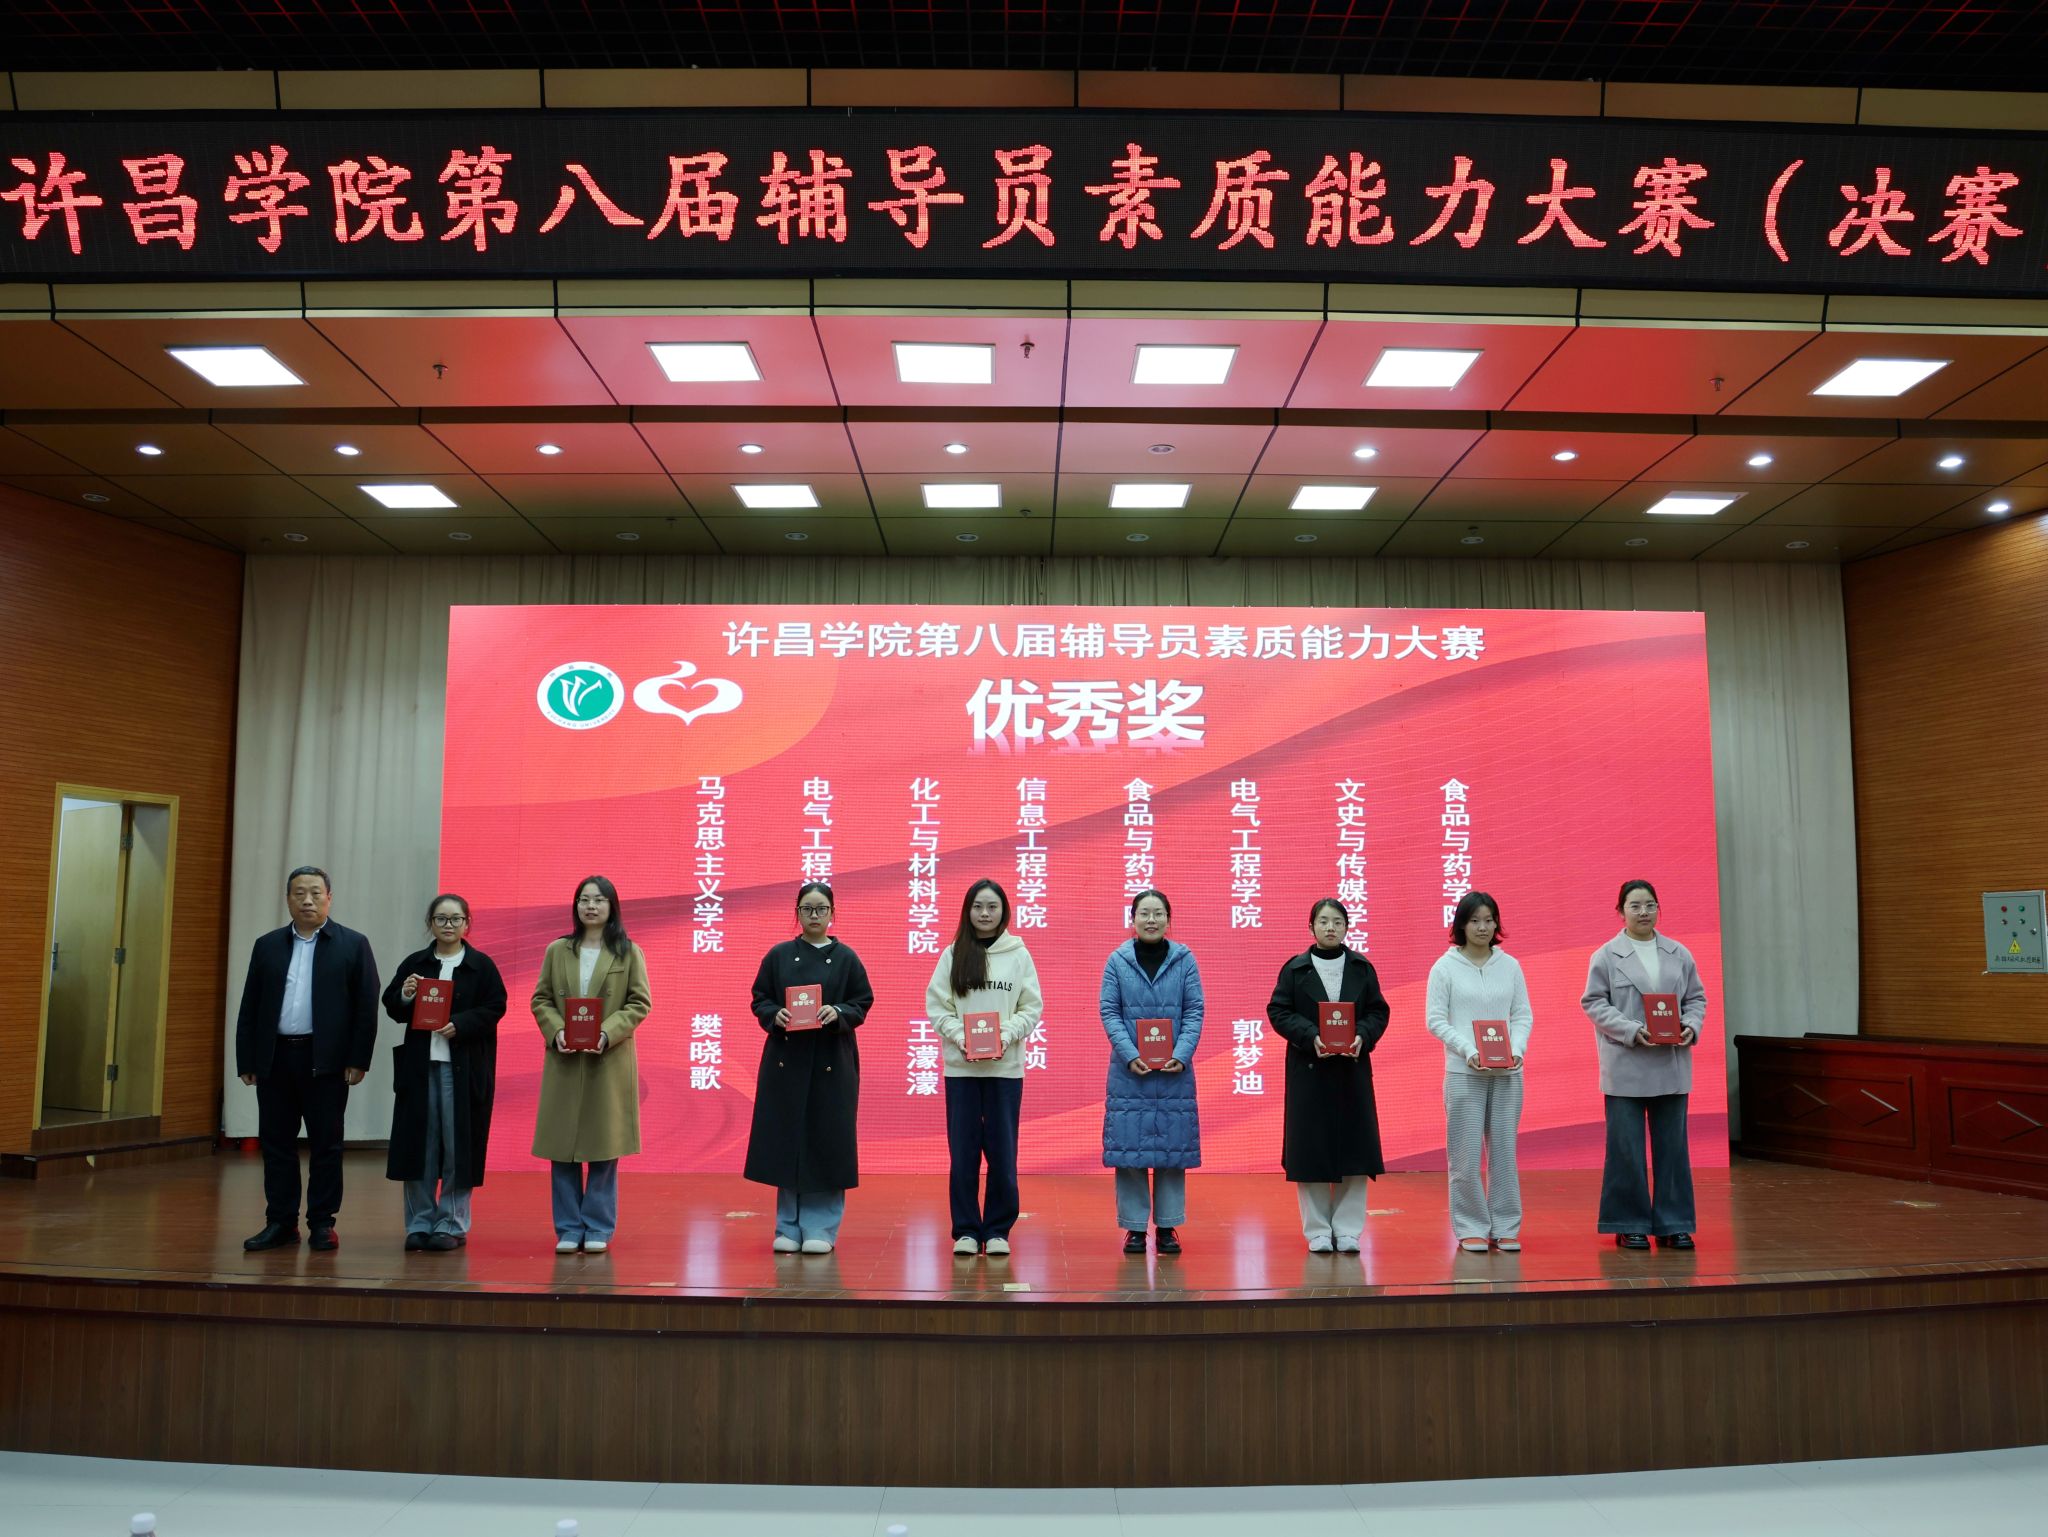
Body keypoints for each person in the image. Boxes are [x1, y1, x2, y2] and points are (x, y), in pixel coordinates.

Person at [233, 865, 379, 1253]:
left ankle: (322, 1222)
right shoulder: (267, 945)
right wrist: (247, 1059)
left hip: (326, 1061)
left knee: (326, 1144)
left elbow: (366, 1008)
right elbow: (250, 1005)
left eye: (315, 893)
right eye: (299, 893)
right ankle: (281, 1222)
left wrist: (358, 1059)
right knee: (276, 1143)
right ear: (287, 900)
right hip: (276, 1059)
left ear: (329, 898)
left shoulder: (352, 944)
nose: (308, 900)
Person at [745, 882, 875, 1255]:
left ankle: (821, 1227)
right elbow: (760, 998)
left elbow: (862, 1001)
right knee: (787, 1141)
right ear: (797, 913)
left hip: (832, 1060)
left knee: (827, 1142)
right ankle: (788, 1225)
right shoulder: (779, 955)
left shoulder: (846, 957)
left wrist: (839, 1012)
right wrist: (774, 1015)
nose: (814, 915)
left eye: (821, 909)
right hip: (786, 1062)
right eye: (807, 909)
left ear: (833, 913)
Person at [1580, 878, 1705, 1251]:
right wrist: (1632, 1030)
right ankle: (1628, 1222)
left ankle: (1673, 1223)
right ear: (1621, 912)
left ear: (1658, 909)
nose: (1643, 912)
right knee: (1627, 1151)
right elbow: (1594, 1003)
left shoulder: (1678, 953)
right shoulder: (1606, 955)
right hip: (1626, 1064)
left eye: (1650, 905)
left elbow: (1696, 999)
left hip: (1671, 1063)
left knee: (1673, 1149)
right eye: (1634, 906)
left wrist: (1691, 1025)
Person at [380, 893, 507, 1252]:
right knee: (419, 1145)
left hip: (462, 1071)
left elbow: (496, 1006)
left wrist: (461, 1024)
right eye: (441, 919)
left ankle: (451, 1223)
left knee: (457, 1146)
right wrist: (406, 995)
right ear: (430, 924)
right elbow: (392, 1005)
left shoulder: (481, 966)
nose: (448, 925)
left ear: (467, 924)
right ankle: (419, 1223)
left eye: (455, 919)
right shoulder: (416, 963)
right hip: (419, 1069)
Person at [531, 876, 652, 1255]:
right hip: (565, 1059)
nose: (591, 906)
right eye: (584, 900)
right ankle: (569, 1228)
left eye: (599, 900)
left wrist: (607, 1032)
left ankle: (598, 1226)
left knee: (604, 1147)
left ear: (612, 907)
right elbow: (541, 999)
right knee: (562, 1147)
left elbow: (639, 1003)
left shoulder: (628, 952)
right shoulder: (557, 950)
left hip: (607, 1060)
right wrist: (556, 1031)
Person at [924, 879, 1044, 1257]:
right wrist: (961, 1037)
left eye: (992, 906)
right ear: (968, 911)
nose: (985, 913)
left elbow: (1031, 1007)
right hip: (961, 1070)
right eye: (978, 906)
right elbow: (938, 1007)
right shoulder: (953, 954)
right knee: (963, 1154)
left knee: (1002, 1154)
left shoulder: (1018, 954)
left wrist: (1006, 1035)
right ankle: (965, 1230)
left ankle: (996, 1231)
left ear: (1004, 911)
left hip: (1004, 1070)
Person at [1266, 898, 1390, 1254]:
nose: (1330, 927)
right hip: (1310, 1071)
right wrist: (1311, 1037)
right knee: (1311, 1152)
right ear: (1311, 927)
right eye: (1323, 921)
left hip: (1351, 1070)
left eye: (1337, 921)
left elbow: (1378, 1011)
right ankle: (1318, 1230)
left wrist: (1362, 1036)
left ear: (1347, 927)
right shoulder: (1296, 969)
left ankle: (1348, 1229)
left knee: (1355, 1151)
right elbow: (1278, 1010)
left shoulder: (1361, 967)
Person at [1424, 891, 1534, 1254]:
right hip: (1464, 1073)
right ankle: (1471, 1226)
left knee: (1504, 1152)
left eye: (1489, 920)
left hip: (1507, 1074)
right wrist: (1469, 1051)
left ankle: (1505, 1226)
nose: (1482, 927)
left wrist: (1516, 1050)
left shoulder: (1510, 966)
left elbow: (1522, 1015)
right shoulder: (1444, 968)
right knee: (1465, 1155)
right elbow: (1435, 1020)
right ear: (1461, 925)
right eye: (1474, 921)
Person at [1099, 888, 1205, 1255]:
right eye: (1144, 913)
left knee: (1172, 1151)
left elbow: (1194, 1010)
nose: (1151, 920)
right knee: (1130, 1151)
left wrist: (1182, 1053)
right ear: (1133, 919)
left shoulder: (1184, 960)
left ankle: (1167, 1227)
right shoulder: (1117, 961)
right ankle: (1134, 1229)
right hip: (1130, 1072)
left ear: (1168, 919)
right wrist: (1130, 1054)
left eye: (1158, 913)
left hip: (1175, 1071)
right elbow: (1109, 1011)